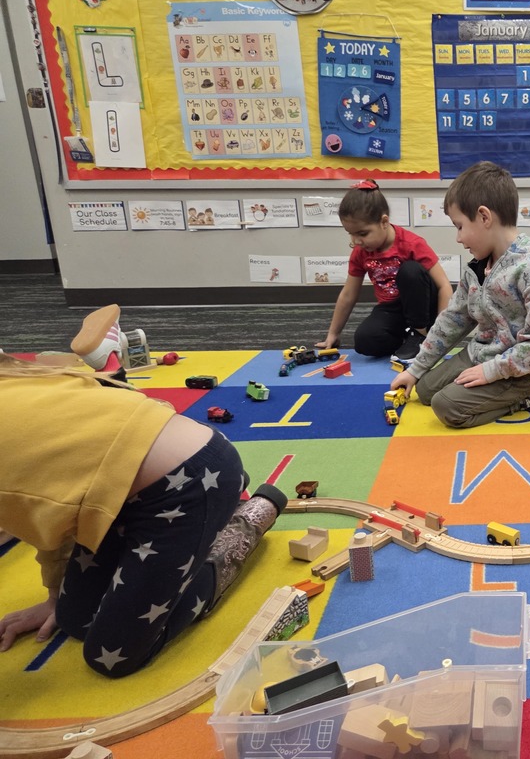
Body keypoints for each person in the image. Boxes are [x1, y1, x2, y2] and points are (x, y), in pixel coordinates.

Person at [0, 317, 288, 677]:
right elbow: (47, 506)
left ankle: (246, 522)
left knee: (112, 656)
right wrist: (55, 597)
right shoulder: (17, 378)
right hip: (116, 495)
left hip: (193, 481)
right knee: (74, 619)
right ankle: (111, 363)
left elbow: (45, 525)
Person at [390, 161, 530, 429]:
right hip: (483, 352)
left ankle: (526, 398)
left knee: (446, 407)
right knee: (426, 390)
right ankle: (468, 382)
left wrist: (492, 371)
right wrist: (415, 369)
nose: (458, 238)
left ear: (484, 217)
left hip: (524, 370)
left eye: (460, 226)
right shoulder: (478, 266)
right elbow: (453, 319)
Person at [315, 180, 453, 360]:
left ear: (384, 222)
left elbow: (444, 286)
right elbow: (348, 294)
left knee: (410, 270)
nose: (356, 241)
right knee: (364, 341)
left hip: (424, 306)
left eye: (363, 234)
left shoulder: (411, 244)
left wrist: (439, 333)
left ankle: (421, 333)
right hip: (392, 309)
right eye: (351, 233)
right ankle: (409, 338)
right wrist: (333, 333)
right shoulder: (360, 252)